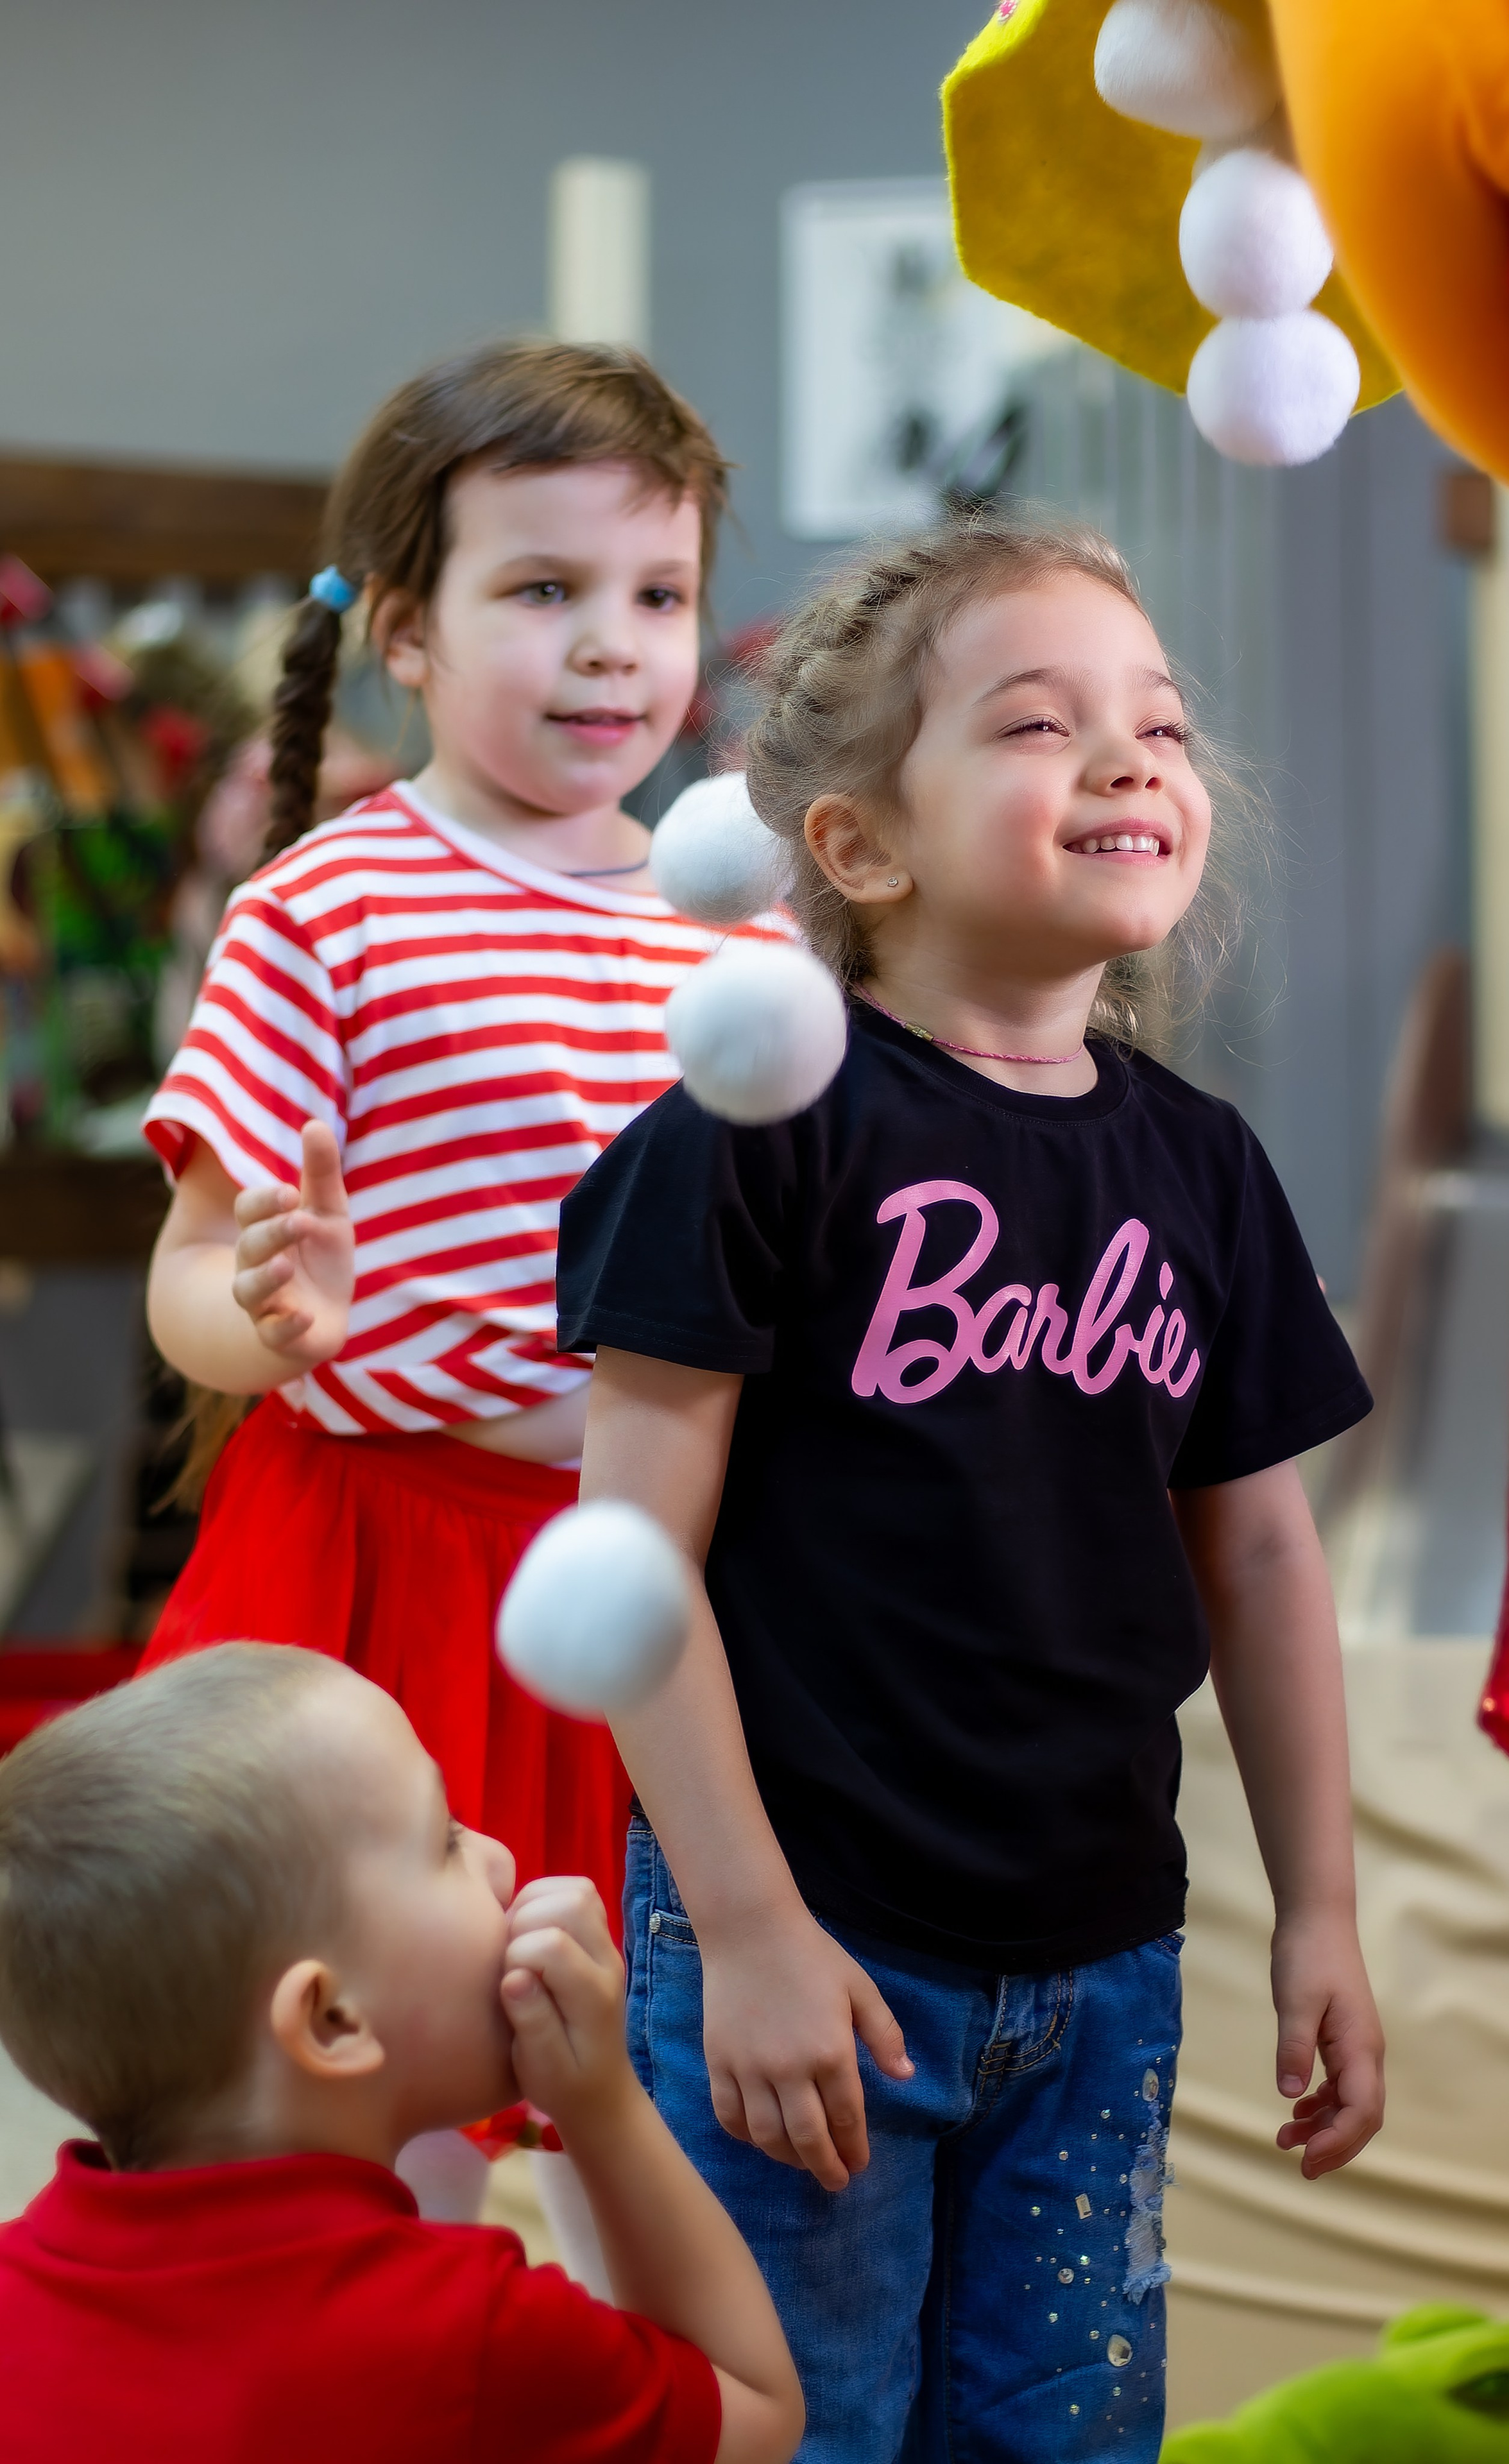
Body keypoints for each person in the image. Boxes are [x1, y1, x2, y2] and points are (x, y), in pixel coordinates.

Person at [554, 516, 1388, 2463]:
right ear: (859, 844)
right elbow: (625, 1569)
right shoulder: (752, 1130)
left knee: (1066, 2441)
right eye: (1037, 724)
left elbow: (1258, 1555)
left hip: (1100, 1958)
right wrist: (746, 1926)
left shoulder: (1200, 1162)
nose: (1126, 760)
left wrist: (1319, 1909)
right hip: (812, 1943)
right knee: (808, 2429)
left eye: (1157, 724)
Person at [140, 338, 780, 2228]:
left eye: (656, 595)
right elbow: (194, 1271)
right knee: (383, 2091)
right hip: (386, 1568)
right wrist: (257, 1313)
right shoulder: (327, 904)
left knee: (632, 2088)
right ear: (406, 631)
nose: (614, 646)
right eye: (543, 590)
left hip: (659, 1570)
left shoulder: (721, 913)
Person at [0, 1645, 803, 2464]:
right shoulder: (475, 2335)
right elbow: (755, 2408)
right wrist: (603, 2106)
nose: (497, 1857)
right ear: (331, 2019)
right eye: (445, 1839)